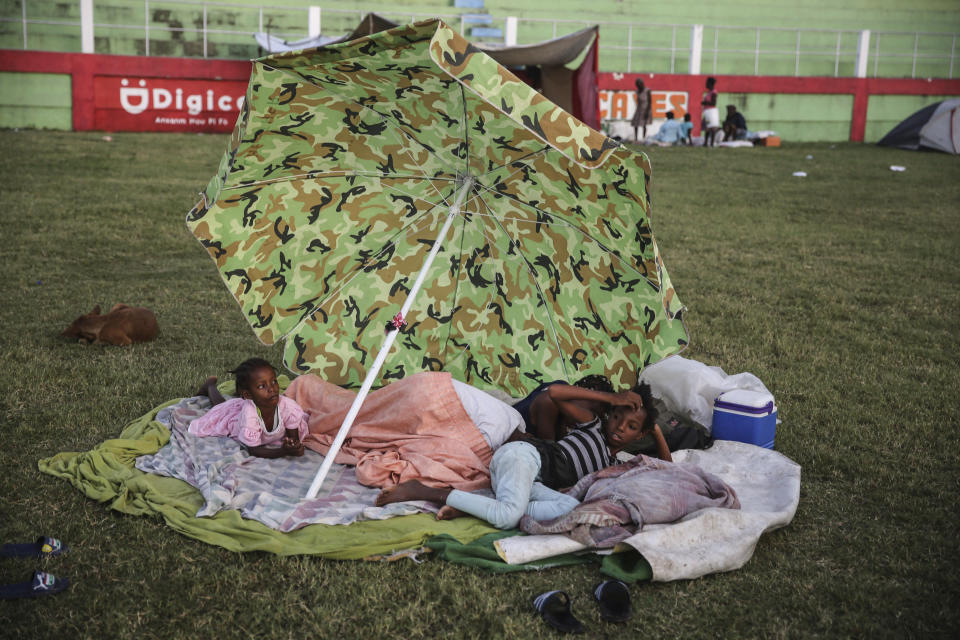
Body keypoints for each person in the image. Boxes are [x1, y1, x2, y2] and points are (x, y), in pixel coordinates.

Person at [375, 382, 672, 530]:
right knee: (507, 518)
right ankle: (427, 491)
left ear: (641, 435)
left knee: (572, 507)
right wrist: (610, 399)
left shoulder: (612, 464)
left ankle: (479, 505)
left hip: (531, 479)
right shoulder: (592, 425)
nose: (620, 427)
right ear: (608, 416)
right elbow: (554, 393)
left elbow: (667, 470)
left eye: (632, 426)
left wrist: (655, 430)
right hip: (524, 457)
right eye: (617, 417)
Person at [190, 358, 308, 458]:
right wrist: (282, 452)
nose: (272, 389)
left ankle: (211, 387)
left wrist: (294, 447)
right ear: (248, 394)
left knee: (225, 407)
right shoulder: (250, 417)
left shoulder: (288, 407)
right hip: (237, 423)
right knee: (221, 410)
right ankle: (210, 386)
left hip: (252, 407)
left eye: (273, 381)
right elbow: (253, 450)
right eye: (262, 386)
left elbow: (294, 439)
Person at [512, 374, 619, 441]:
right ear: (583, 395)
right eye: (590, 412)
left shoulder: (561, 386)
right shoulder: (550, 402)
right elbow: (549, 453)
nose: (584, 418)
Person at [701, 77, 720, 147]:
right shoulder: (709, 92)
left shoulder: (714, 92)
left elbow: (713, 103)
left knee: (713, 128)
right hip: (707, 112)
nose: (706, 84)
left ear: (710, 83)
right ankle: (705, 143)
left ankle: (711, 143)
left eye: (707, 83)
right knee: (707, 127)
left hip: (711, 112)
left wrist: (705, 103)